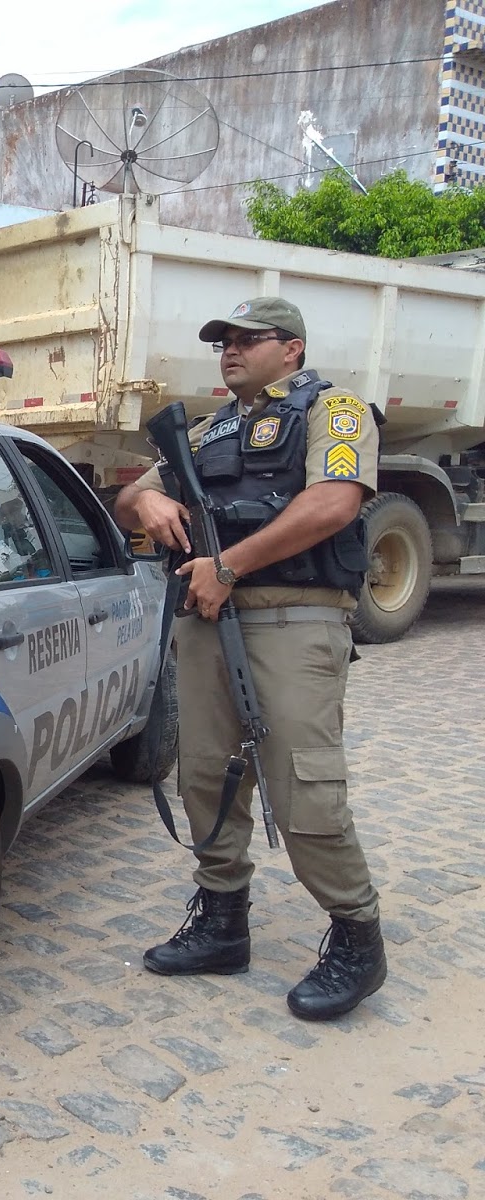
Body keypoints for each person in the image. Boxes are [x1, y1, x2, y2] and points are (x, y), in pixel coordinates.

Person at [113, 296, 386, 1022]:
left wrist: (229, 566)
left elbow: (334, 502)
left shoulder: (334, 410)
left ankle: (357, 934)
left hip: (294, 618)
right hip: (209, 620)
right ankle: (222, 922)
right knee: (206, 775)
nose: (230, 350)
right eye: (223, 341)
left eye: (247, 339)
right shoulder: (207, 430)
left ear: (291, 348)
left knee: (302, 785)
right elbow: (130, 497)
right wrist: (146, 505)